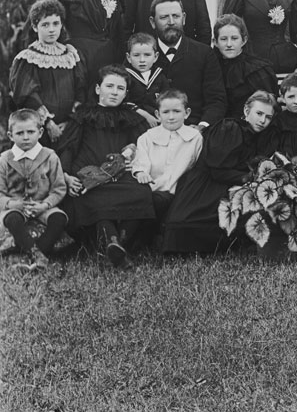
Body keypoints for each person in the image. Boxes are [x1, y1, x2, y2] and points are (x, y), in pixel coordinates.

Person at [56, 64, 154, 267]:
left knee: (142, 193)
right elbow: (68, 149)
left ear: (126, 93)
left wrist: (134, 162)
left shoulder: (133, 119)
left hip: (121, 175)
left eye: (120, 88)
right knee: (93, 196)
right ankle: (113, 242)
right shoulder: (83, 116)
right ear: (98, 88)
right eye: (110, 86)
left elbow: (142, 148)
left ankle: (117, 244)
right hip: (88, 176)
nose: (114, 92)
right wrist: (66, 176)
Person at [161, 91, 277, 253]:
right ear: (246, 110)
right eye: (259, 113)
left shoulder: (256, 136)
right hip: (206, 187)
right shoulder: (230, 128)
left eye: (268, 117)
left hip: (227, 184)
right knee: (191, 225)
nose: (263, 120)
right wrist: (249, 178)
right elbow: (217, 169)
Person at [8, 0, 87, 146]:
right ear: (35, 27)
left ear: (61, 25)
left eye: (56, 23)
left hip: (69, 128)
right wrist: (48, 123)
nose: (51, 29)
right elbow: (27, 95)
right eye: (45, 24)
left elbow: (80, 90)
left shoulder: (71, 55)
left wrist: (70, 122)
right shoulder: (28, 58)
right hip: (39, 129)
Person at [0, 109, 69, 268]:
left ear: (40, 132)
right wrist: (12, 204)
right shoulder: (4, 159)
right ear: (10, 136)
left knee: (59, 218)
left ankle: (39, 254)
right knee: (12, 219)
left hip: (42, 205)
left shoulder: (50, 156)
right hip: (15, 208)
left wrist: (44, 205)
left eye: (30, 132)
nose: (26, 137)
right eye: (20, 133)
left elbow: (58, 189)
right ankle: (35, 254)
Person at [150, 0, 227, 129]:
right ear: (152, 22)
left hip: (195, 130)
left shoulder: (204, 54)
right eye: (164, 17)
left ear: (184, 18)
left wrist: (201, 127)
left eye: (176, 16)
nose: (171, 22)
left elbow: (216, 100)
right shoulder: (141, 55)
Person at [131, 89, 203, 222]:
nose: (171, 117)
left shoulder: (195, 138)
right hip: (152, 192)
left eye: (176, 111)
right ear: (158, 115)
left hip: (181, 195)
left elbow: (197, 168)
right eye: (165, 112)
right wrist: (141, 173)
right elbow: (141, 163)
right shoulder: (147, 137)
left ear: (187, 113)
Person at [213, 13, 279, 119]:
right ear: (215, 42)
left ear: (244, 40)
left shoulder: (257, 70)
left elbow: (269, 107)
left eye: (234, 38)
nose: (229, 44)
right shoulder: (211, 68)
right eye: (224, 39)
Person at [123, 32, 168, 127]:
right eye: (136, 55)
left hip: (158, 121)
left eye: (147, 55)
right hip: (132, 122)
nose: (142, 60)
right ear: (128, 57)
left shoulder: (160, 77)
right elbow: (123, 102)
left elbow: (167, 99)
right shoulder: (125, 77)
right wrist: (146, 115)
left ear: (155, 57)